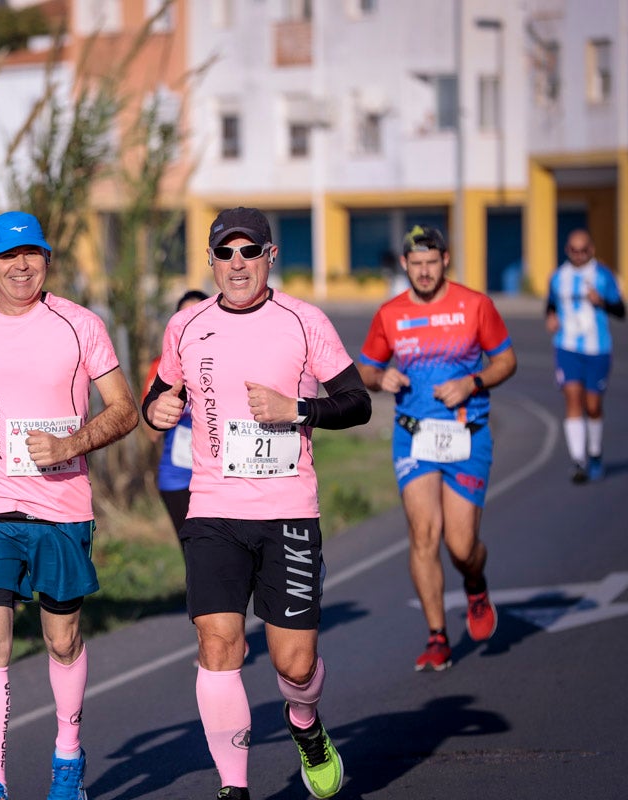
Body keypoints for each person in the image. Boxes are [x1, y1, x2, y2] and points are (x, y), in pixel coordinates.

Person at [142, 207, 371, 800]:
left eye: (249, 252)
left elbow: (356, 401)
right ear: (212, 262)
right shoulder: (187, 326)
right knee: (219, 643)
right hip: (213, 507)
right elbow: (160, 391)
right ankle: (234, 787)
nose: (237, 264)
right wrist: (155, 410)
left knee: (294, 666)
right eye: (226, 253)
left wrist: (297, 410)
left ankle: (306, 726)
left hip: (288, 511)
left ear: (270, 257)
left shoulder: (303, 320)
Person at [0, 211, 139, 800]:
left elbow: (125, 408)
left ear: (47, 259)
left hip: (62, 510)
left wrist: (71, 443)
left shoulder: (78, 324)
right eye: (8, 256)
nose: (22, 266)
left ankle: (68, 752)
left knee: (62, 641)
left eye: (33, 254)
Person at [357, 225, 517, 673]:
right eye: (416, 264)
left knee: (461, 545)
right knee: (423, 534)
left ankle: (476, 583)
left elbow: (506, 359)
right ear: (404, 264)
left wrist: (474, 381)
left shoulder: (475, 305)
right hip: (414, 435)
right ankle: (437, 637)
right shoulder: (390, 314)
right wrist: (380, 378)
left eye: (432, 263)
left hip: (467, 433)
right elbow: (365, 368)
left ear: (445, 260)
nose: (424, 272)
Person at [545, 229, 626, 483]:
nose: (578, 255)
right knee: (572, 399)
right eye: (573, 250)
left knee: (592, 405)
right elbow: (550, 303)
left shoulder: (603, 275)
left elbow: (621, 310)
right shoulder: (558, 277)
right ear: (567, 250)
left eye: (583, 250)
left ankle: (595, 452)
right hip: (566, 346)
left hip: (597, 348)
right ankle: (578, 460)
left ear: (591, 249)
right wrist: (550, 316)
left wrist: (601, 301)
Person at [144, 289, 209, 536]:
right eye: (185, 319)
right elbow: (151, 433)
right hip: (178, 478)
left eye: (199, 318)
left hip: (219, 478)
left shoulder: (228, 362)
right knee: (194, 553)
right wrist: (165, 402)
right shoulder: (162, 368)